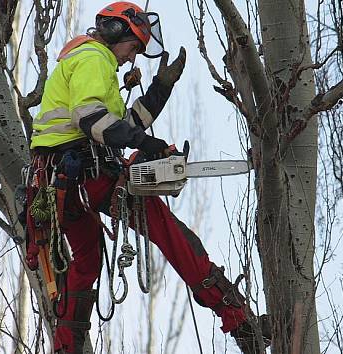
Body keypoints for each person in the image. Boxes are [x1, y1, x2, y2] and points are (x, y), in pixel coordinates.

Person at [29, 2, 268, 353]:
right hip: (83, 175)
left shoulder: (85, 61)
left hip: (58, 181)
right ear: (116, 33)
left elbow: (121, 125)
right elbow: (93, 121)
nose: (132, 58)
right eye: (133, 47)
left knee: (87, 262)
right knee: (170, 232)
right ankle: (239, 319)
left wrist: (160, 90)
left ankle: (66, 348)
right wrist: (147, 144)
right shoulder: (94, 58)